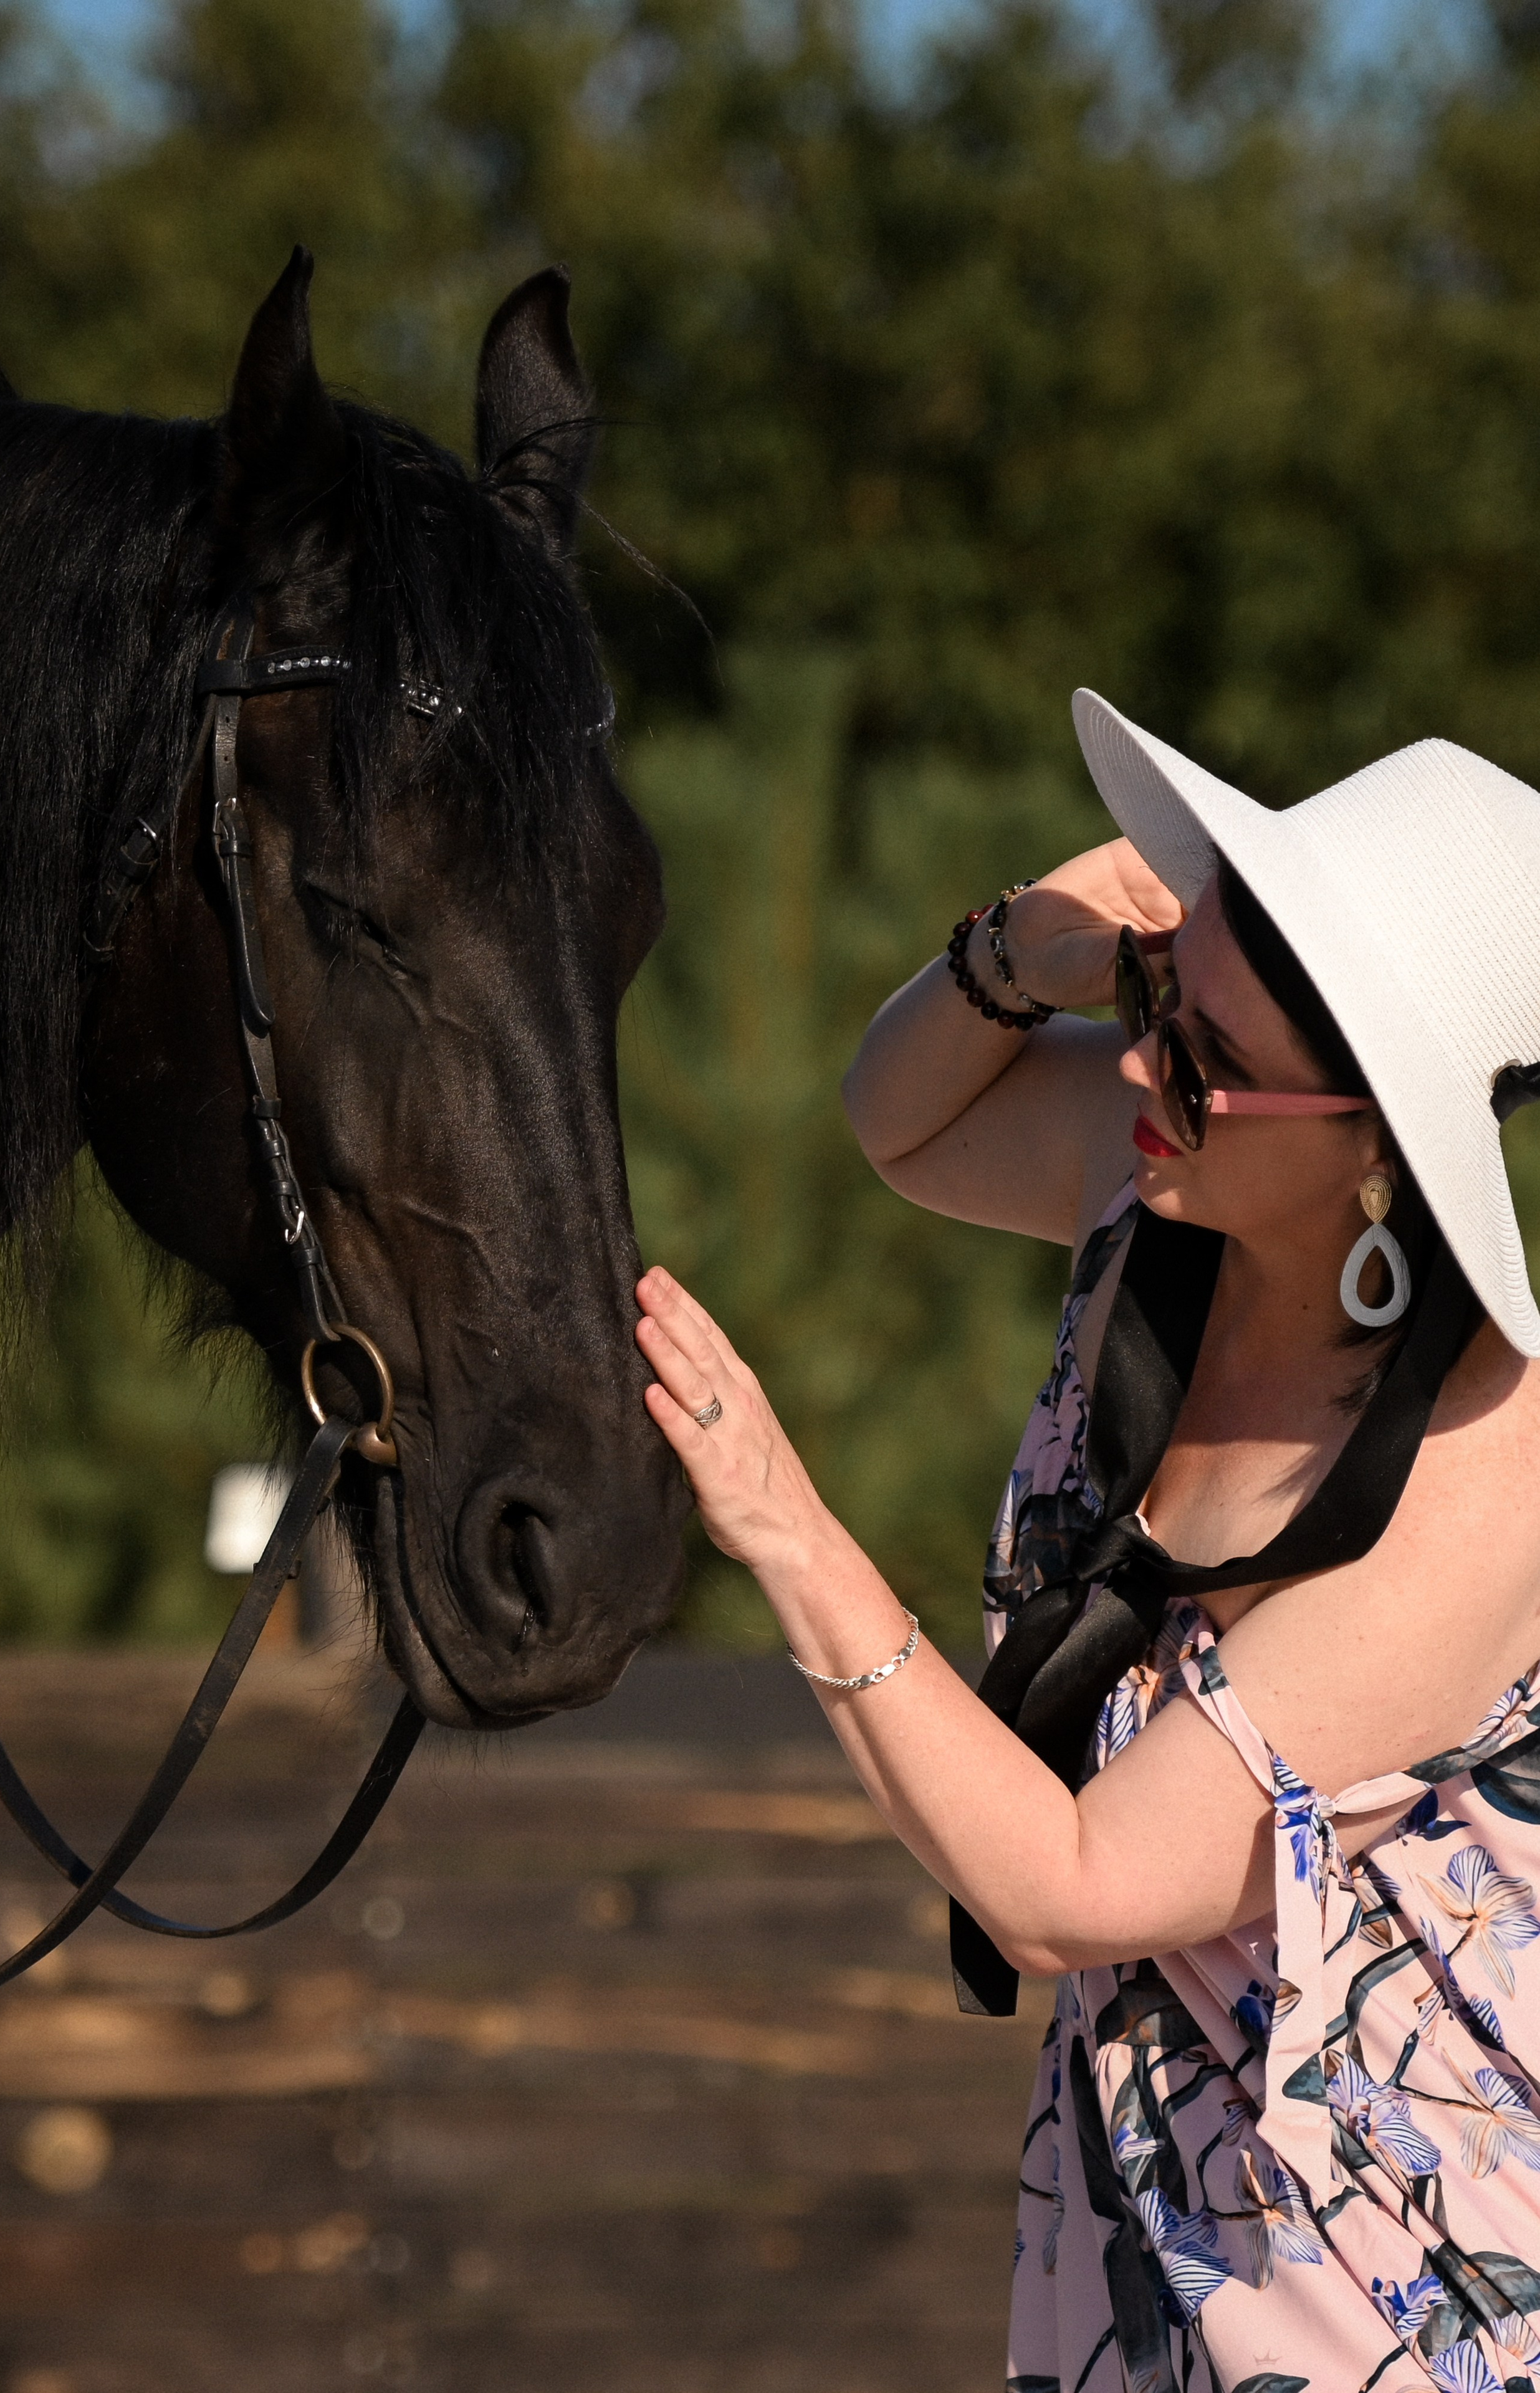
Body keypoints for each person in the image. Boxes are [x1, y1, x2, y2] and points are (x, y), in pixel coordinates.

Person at [634, 688, 1540, 2392]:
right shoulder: (1168, 1196)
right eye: (1151, 1003)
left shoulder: (1486, 1468)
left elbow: (1077, 1886)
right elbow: (901, 1118)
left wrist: (784, 1523)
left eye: (1205, 1060)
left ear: (1376, 1150)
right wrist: (1013, 952)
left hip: (1395, 2297)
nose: (1139, 1068)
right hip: (1155, 2250)